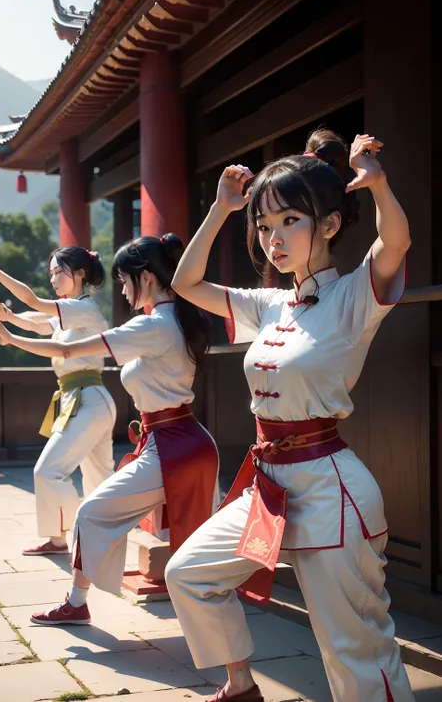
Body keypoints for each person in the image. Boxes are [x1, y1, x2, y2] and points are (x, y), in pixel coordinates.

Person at [164, 131, 415, 702]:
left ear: (328, 225)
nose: (273, 239)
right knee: (190, 574)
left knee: (352, 647)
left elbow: (395, 241)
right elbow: (185, 284)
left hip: (332, 495)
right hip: (269, 490)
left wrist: (376, 182)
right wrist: (221, 210)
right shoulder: (268, 304)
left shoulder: (355, 297)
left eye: (289, 222)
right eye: (264, 226)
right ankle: (242, 685)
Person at [0, 233, 219, 626]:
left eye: (126, 280)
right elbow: (44, 322)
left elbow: (64, 349)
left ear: (145, 278)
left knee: (91, 512)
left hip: (171, 444)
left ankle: (78, 600)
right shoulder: (174, 319)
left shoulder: (150, 325)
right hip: (182, 440)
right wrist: (10, 323)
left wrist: (9, 337)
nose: (122, 291)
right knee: (183, 537)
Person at [0, 244, 116, 556]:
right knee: (99, 479)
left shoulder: (84, 309)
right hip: (82, 400)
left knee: (49, 471)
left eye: (58, 271)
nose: (53, 278)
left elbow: (33, 303)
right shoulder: (73, 312)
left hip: (89, 400)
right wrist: (7, 316)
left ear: (79, 273)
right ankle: (97, 539)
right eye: (51, 272)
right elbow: (37, 322)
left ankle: (66, 534)